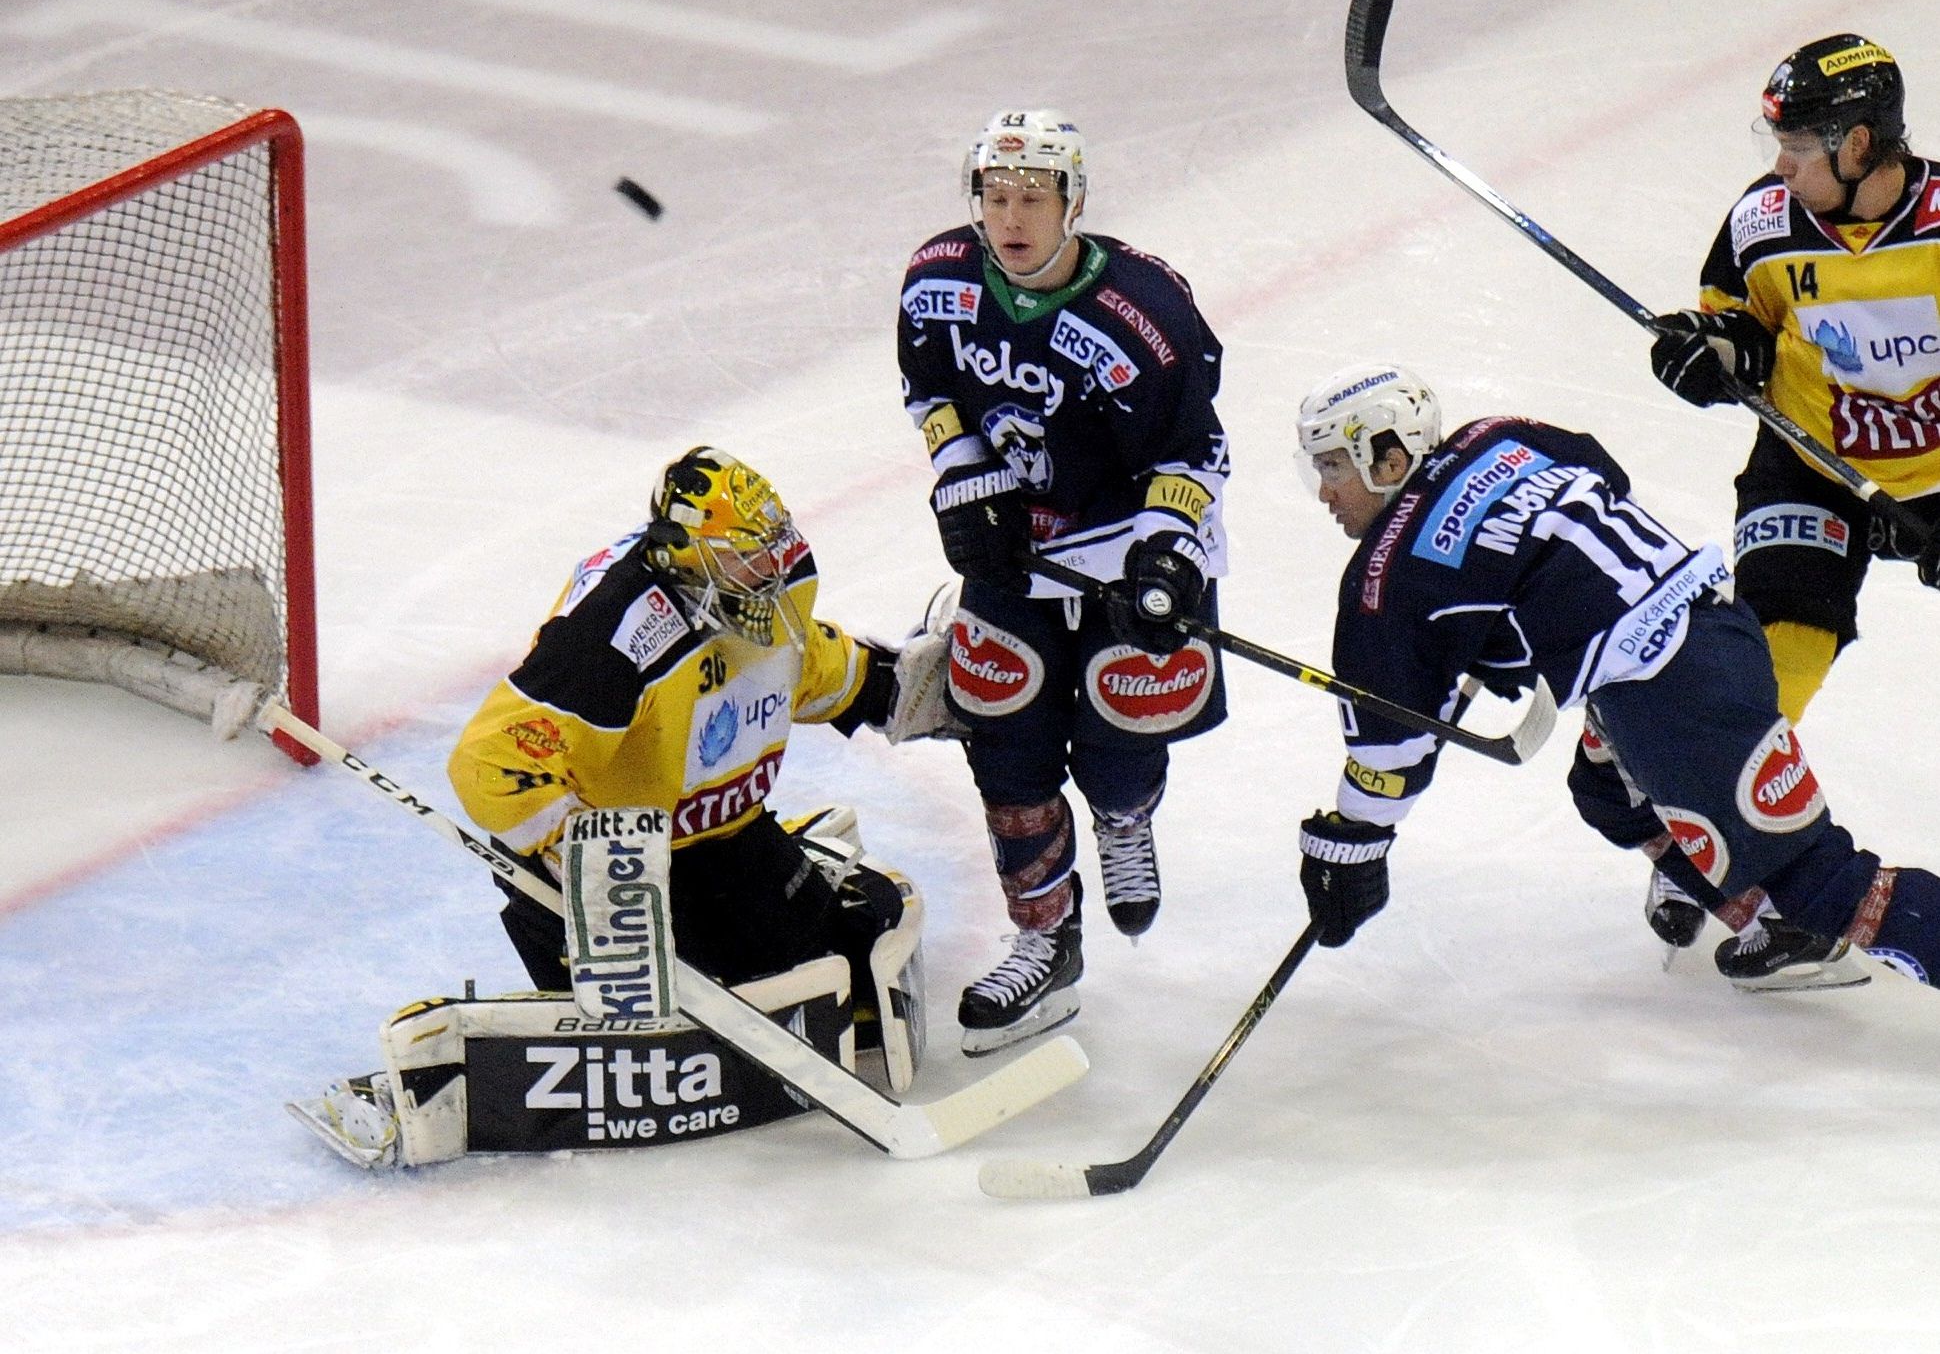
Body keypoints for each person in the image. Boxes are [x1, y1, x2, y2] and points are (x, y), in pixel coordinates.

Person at [1292, 363, 1940, 993]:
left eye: (1331, 468)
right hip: (1713, 629)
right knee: (1607, 790)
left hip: (1673, 696)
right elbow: (1602, 472)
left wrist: (1352, 846)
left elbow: (1390, 738)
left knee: (1821, 884)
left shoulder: (1391, 574)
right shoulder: (1500, 434)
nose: (1324, 493)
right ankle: (1757, 909)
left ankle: (1792, 914)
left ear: (1387, 456)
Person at [898, 108, 1230, 1053]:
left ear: (1073, 202)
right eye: (995, 196)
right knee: (1006, 742)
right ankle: (1046, 938)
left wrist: (1167, 546)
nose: (1011, 217)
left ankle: (1125, 819)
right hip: (1013, 549)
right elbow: (930, 391)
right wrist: (965, 474)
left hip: (1127, 550)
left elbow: (1199, 448)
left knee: (1122, 734)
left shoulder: (1146, 312)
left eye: (1033, 197)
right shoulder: (939, 281)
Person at [1640, 33, 1940, 973]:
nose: (1780, 166)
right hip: (1811, 464)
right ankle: (1762, 859)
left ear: (1861, 146)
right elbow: (1739, 326)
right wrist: (1708, 353)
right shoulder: (1765, 218)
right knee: (1768, 661)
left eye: (1801, 147)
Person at [446, 444, 914, 1006]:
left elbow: (800, 656)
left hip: (711, 831)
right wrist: (587, 859)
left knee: (826, 971)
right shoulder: (611, 637)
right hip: (620, 857)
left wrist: (889, 686)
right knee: (666, 1005)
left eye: (768, 549)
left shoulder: (747, 593)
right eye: (744, 556)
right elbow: (490, 763)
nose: (769, 569)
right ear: (684, 553)